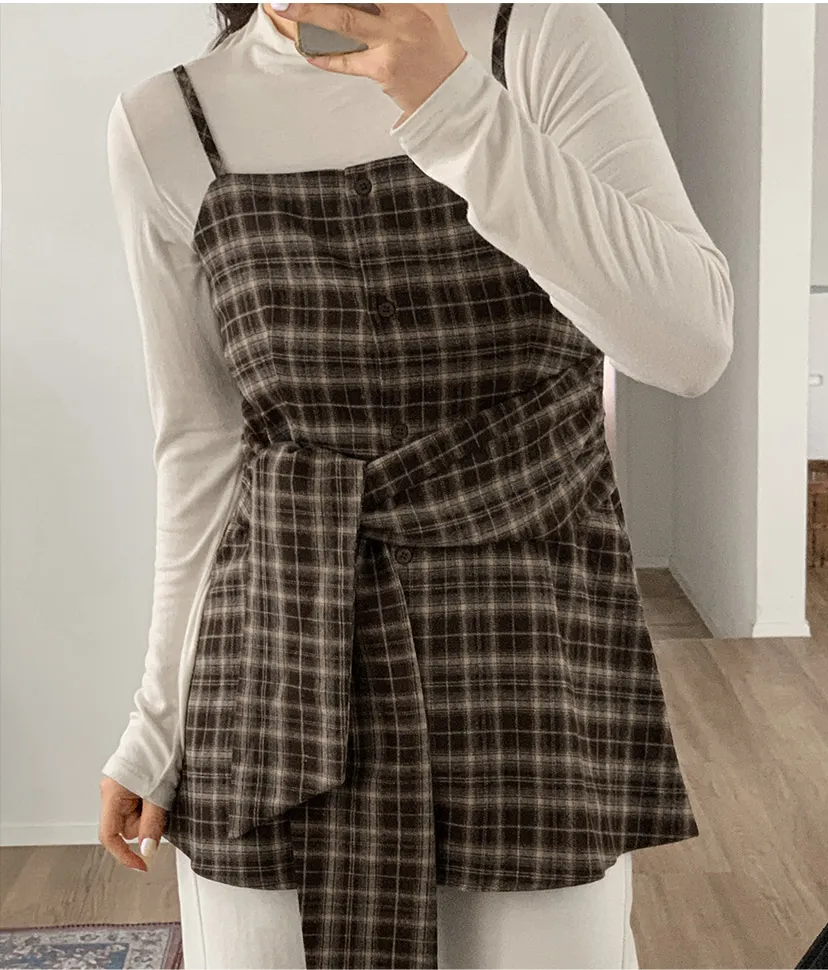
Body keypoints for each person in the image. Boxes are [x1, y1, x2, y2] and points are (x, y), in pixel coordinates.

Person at [97, 4, 733, 968]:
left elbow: (690, 345)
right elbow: (201, 444)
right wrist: (155, 726)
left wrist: (455, 102)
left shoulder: (537, 36)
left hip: (528, 662)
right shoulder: (167, 123)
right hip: (280, 671)